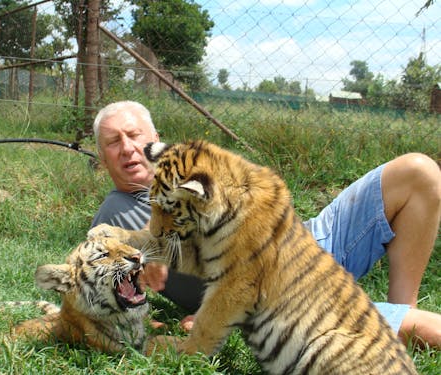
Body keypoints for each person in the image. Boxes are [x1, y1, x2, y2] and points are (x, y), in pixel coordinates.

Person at [90, 100, 441, 347]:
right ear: (102, 159)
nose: (127, 148)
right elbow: (100, 278)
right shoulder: (116, 210)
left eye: (134, 135)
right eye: (112, 142)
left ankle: (401, 307)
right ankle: (403, 324)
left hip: (311, 239)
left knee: (418, 172)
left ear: (155, 140)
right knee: (422, 328)